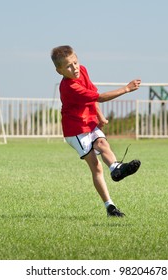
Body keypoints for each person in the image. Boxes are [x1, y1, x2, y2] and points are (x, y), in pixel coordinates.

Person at [51, 45, 141, 217]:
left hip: (89, 122)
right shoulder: (69, 87)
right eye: (68, 66)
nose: (74, 68)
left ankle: (116, 169)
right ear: (59, 71)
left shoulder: (83, 70)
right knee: (96, 167)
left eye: (75, 62)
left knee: (102, 143)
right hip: (75, 130)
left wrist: (99, 116)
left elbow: (93, 94)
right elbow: (99, 97)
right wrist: (126, 89)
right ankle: (110, 207)